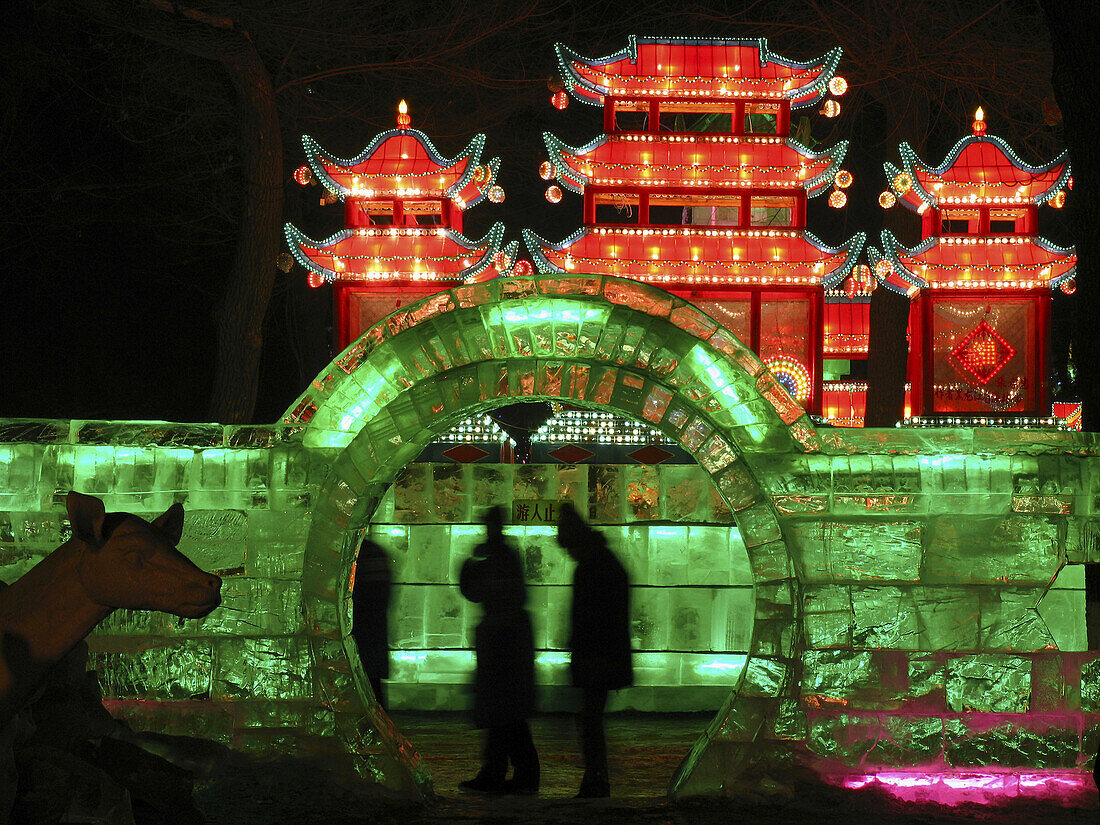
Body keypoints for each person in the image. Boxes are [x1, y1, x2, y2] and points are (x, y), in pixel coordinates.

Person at [458, 506, 539, 794]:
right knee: (505, 713)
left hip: (501, 640)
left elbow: (473, 590)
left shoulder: (496, 557)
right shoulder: (504, 555)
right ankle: (510, 771)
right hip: (506, 639)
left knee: (502, 712)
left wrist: (471, 563)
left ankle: (505, 771)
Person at [556, 503, 633, 799]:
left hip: (597, 656)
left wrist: (582, 650)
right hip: (603, 654)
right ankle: (596, 777)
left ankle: (597, 779)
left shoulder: (593, 566)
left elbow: (591, 618)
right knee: (591, 719)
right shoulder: (603, 561)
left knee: (590, 720)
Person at [351, 536, 392, 710]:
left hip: (362, 635)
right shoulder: (374, 551)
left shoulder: (359, 553)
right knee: (374, 690)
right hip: (373, 635)